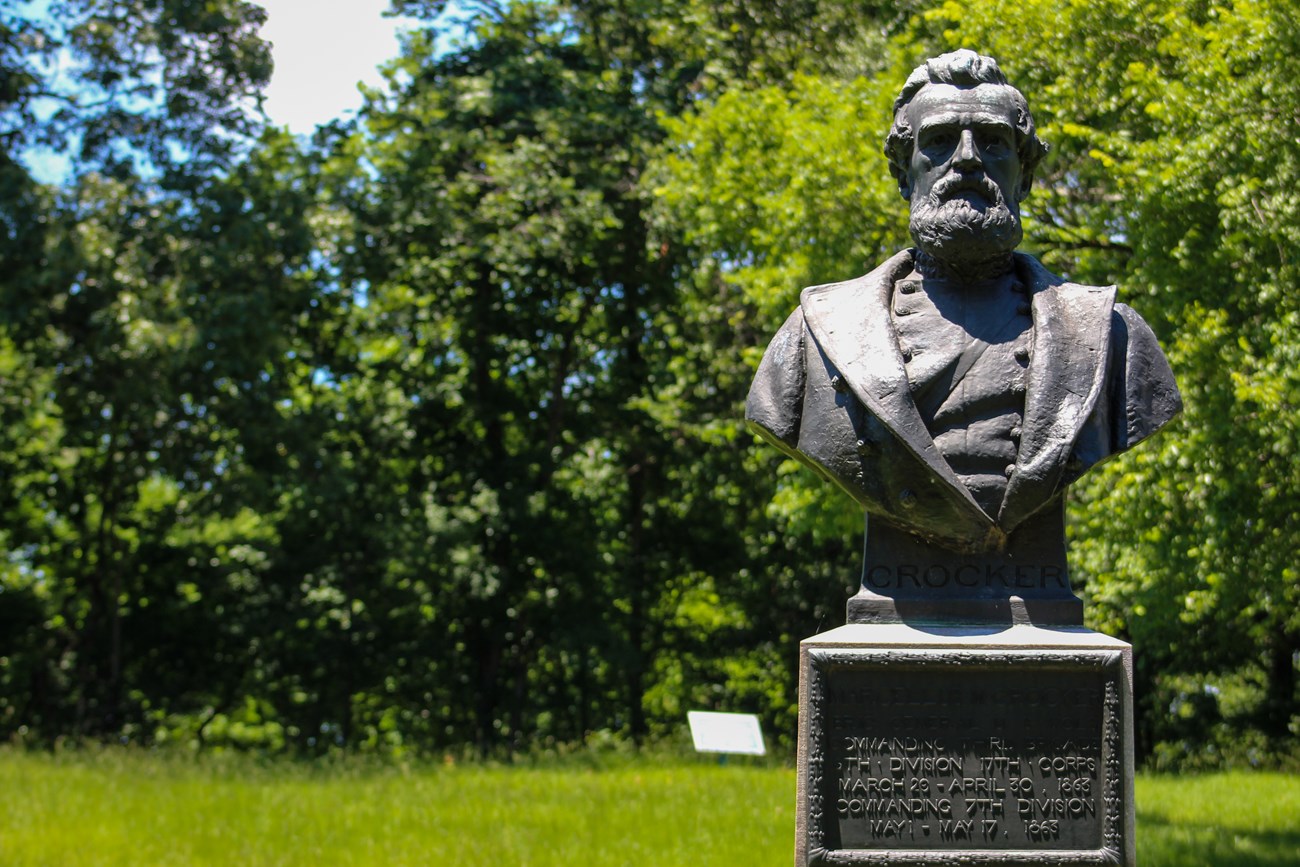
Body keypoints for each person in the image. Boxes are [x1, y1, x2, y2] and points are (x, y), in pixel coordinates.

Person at [745, 50, 1180, 618]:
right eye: (941, 141)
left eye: (994, 142)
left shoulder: (1111, 335)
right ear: (905, 172)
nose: (968, 159)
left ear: (1024, 173)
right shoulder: (816, 334)